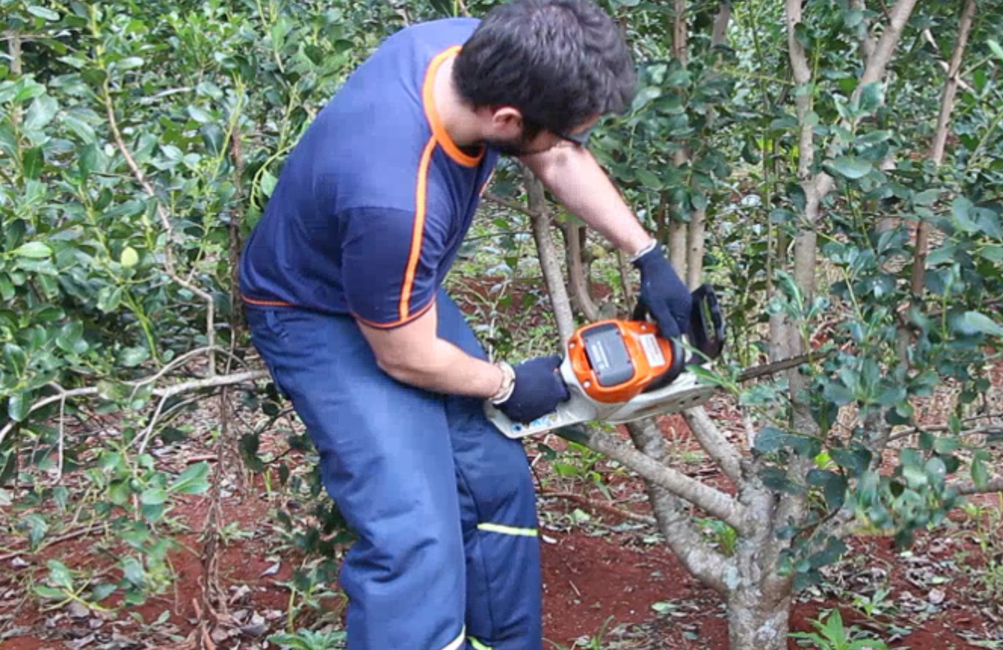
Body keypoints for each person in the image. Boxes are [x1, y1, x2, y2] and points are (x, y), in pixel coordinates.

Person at [238, 1, 692, 648]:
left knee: (493, 478)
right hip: (315, 312)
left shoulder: (470, 52)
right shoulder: (396, 196)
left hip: (391, 292)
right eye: (563, 129)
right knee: (414, 536)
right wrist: (506, 382)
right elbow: (404, 356)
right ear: (505, 119)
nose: (570, 143)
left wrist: (647, 254)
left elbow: (557, 158)